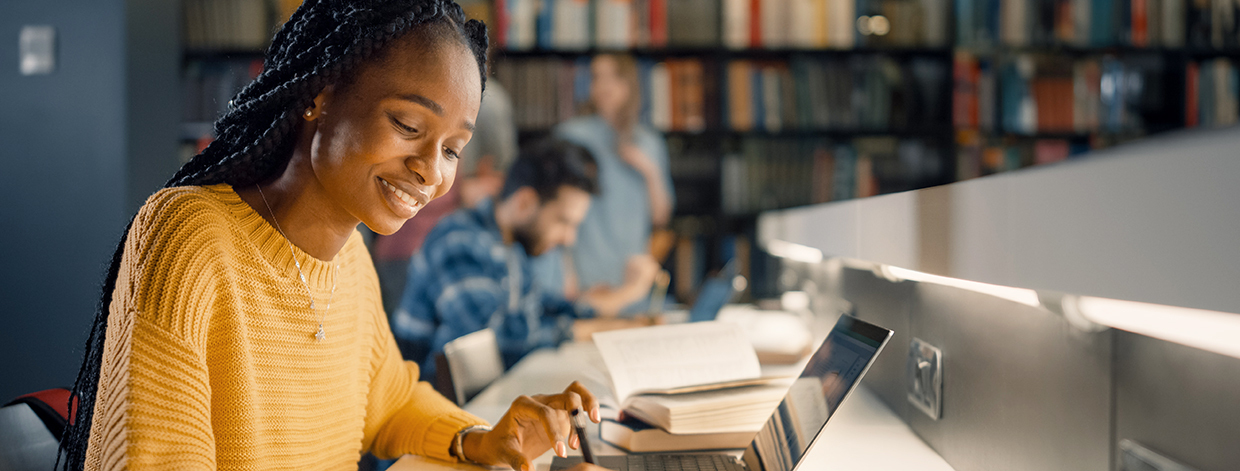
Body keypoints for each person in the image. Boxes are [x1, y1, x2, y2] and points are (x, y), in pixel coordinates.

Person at [59, 2, 607, 470]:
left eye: (451, 149)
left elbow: (389, 404)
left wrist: (481, 439)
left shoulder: (350, 258)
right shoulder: (189, 239)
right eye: (409, 127)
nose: (431, 171)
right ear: (318, 95)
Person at [392, 139, 659, 381]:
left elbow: (540, 308)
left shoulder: (510, 246)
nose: (569, 239)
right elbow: (491, 338)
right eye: (563, 222)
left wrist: (620, 322)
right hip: (429, 410)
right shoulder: (458, 241)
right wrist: (594, 328)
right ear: (525, 202)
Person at [369, 46, 518, 316]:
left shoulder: (488, 104)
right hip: (403, 249)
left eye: (452, 149)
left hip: (439, 246)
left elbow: (500, 175)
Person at [534, 54, 675, 308]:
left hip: (632, 276)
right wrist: (565, 272)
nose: (605, 86)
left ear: (630, 84)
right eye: (597, 77)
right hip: (585, 274)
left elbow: (661, 217)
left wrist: (650, 172)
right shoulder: (571, 136)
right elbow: (552, 211)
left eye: (614, 77)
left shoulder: (649, 142)